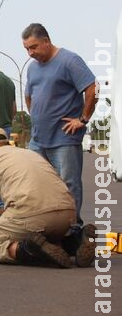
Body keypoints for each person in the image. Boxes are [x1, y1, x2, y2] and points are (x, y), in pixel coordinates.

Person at [0, 127, 96, 268]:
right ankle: (76, 241)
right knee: (44, 236)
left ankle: (28, 250)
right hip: (68, 214)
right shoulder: (29, 153)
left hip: (33, 216)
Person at [22, 23, 97, 225]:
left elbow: (92, 89)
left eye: (34, 47)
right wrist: (37, 115)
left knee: (68, 185)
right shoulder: (32, 68)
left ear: (46, 41)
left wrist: (82, 119)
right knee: (38, 184)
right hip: (38, 140)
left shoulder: (69, 60)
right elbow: (29, 96)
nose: (30, 53)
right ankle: (48, 226)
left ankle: (72, 228)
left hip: (64, 138)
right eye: (27, 49)